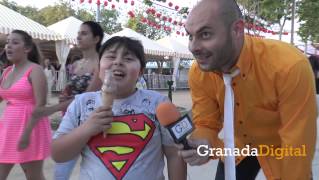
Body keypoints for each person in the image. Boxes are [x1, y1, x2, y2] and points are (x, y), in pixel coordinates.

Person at [177, 0, 317, 179]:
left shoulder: (289, 66)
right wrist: (204, 144)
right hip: (238, 147)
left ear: (237, 29)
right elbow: (206, 123)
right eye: (190, 36)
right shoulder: (199, 72)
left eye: (205, 34)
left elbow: (297, 142)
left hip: (283, 147)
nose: (193, 47)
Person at [51, 36, 187, 180]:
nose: (118, 62)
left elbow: (175, 155)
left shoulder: (158, 103)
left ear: (140, 72)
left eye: (128, 59)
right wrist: (86, 129)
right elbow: (58, 154)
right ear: (98, 68)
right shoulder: (81, 103)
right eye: (111, 56)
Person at [53, 21, 104, 180]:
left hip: (92, 121)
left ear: (96, 39)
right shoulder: (75, 64)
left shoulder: (101, 64)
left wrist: (49, 109)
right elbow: (71, 92)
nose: (78, 37)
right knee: (60, 172)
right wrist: (64, 96)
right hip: (71, 119)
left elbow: (86, 97)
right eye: (78, 33)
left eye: (84, 33)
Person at [0, 30, 51, 179]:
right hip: (9, 128)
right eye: (7, 42)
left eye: (15, 43)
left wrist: (26, 134)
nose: (9, 46)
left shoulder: (35, 70)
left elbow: (40, 106)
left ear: (27, 48)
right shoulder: (7, 71)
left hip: (31, 128)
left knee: (33, 176)